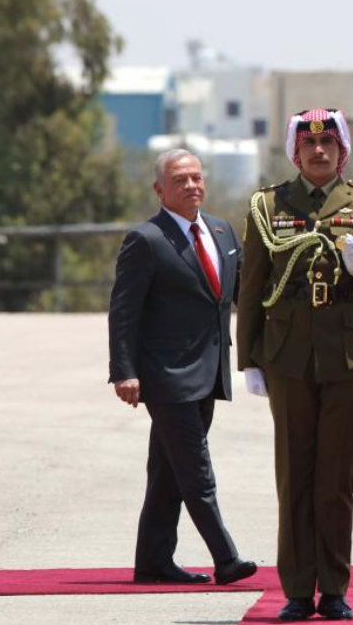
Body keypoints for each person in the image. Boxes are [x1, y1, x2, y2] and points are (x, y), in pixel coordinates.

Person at [236, 108, 353, 621]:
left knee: (336, 477)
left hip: (348, 357)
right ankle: (296, 589)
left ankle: (334, 587)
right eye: (310, 145)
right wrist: (248, 358)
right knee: (294, 474)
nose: (319, 151)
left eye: (329, 143)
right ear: (295, 152)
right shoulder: (269, 206)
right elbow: (250, 292)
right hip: (287, 356)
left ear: (342, 151)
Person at [107, 149, 257, 587]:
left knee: (169, 469)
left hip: (210, 372)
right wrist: (124, 370)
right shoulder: (146, 240)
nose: (191, 185)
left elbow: (245, 295)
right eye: (179, 180)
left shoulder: (222, 231)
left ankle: (153, 560)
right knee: (196, 469)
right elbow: (124, 311)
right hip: (165, 376)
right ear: (159, 190)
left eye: (196, 177)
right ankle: (226, 558)